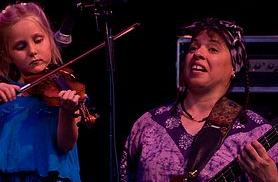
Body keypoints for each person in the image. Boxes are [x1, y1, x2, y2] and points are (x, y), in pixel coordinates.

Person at [119, 18, 278, 182]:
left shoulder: (255, 131)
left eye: (213, 49)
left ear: (234, 67)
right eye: (193, 48)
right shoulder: (148, 124)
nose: (198, 53)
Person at [0, 2, 87, 182]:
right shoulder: (9, 94)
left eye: (38, 40)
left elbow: (66, 144)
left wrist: (67, 112)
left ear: (50, 40)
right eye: (21, 47)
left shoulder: (67, 90)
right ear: (7, 55)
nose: (33, 51)